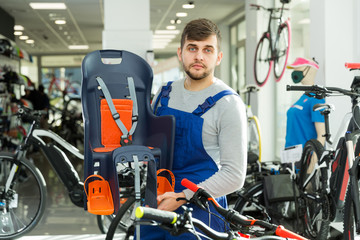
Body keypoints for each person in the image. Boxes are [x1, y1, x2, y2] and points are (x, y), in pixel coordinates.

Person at [141, 18, 247, 239]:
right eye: (192, 48)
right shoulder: (164, 92)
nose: (199, 56)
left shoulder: (228, 104)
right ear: (180, 53)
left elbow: (234, 175)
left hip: (201, 210)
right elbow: (148, 145)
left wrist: (182, 196)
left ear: (218, 57)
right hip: (156, 202)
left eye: (207, 50)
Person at [285, 57, 326, 148]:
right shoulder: (303, 98)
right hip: (290, 154)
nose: (295, 72)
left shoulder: (316, 98)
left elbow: (322, 135)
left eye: (298, 68)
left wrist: (313, 160)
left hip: (304, 155)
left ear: (310, 70)